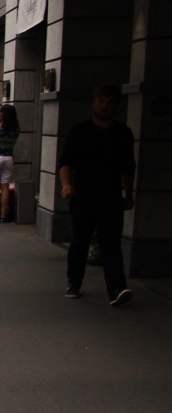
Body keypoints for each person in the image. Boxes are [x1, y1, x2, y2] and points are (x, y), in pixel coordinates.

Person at [60, 84, 136, 305]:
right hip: (83, 194)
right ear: (94, 103)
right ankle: (74, 281)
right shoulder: (80, 131)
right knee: (80, 242)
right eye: (101, 101)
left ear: (116, 106)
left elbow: (128, 168)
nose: (105, 106)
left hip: (111, 196)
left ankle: (116, 289)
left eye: (110, 102)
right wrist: (67, 185)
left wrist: (128, 195)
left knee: (111, 243)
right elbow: (66, 162)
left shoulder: (123, 134)